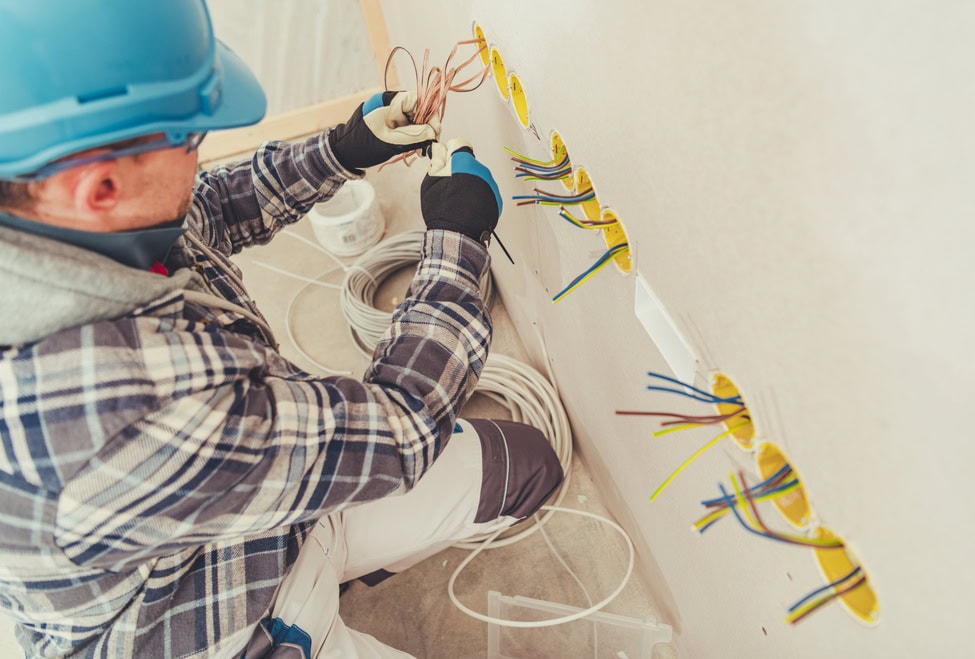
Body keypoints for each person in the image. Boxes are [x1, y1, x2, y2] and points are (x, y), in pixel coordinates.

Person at [0, 2, 563, 657]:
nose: (199, 149)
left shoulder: (56, 224)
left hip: (263, 496)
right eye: (189, 138)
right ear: (99, 188)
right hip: (222, 624)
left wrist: (342, 150)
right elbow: (404, 425)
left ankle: (342, 559)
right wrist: (459, 238)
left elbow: (200, 209)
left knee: (529, 467)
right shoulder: (119, 406)